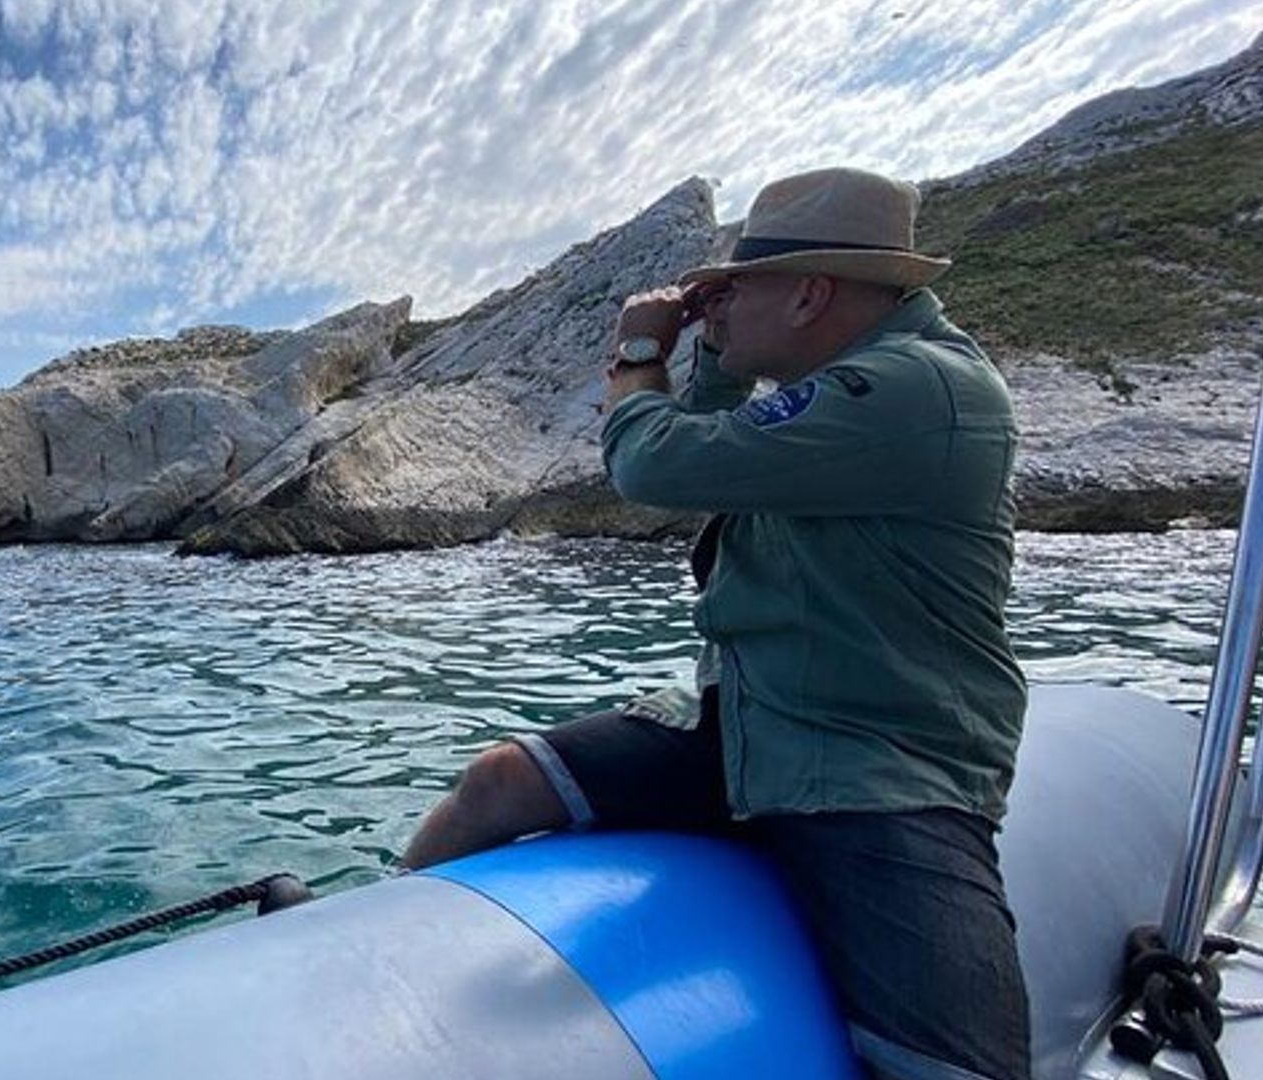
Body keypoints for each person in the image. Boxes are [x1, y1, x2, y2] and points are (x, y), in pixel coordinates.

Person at [401, 167, 1031, 1080]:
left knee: (959, 1068)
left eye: (732, 291)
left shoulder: (914, 391)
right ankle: (372, 943)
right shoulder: (838, 384)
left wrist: (635, 357)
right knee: (501, 781)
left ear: (810, 293)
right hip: (753, 719)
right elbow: (705, 454)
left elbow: (657, 468)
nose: (714, 307)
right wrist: (710, 356)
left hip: (876, 762)